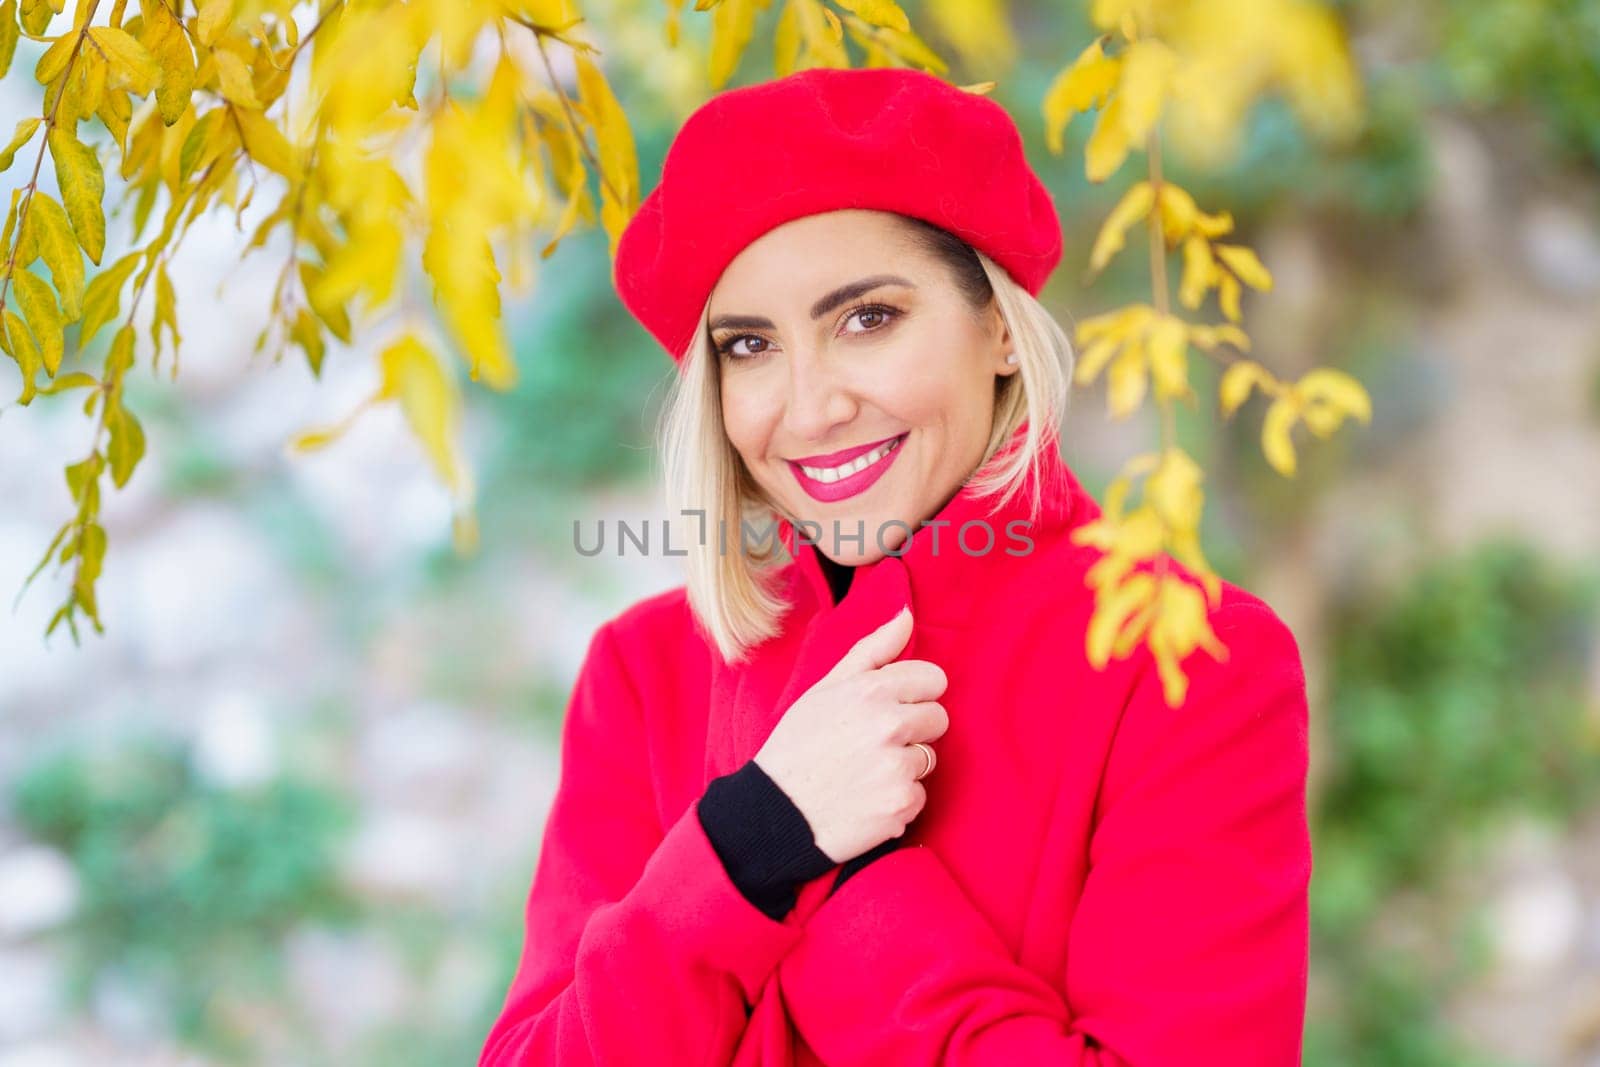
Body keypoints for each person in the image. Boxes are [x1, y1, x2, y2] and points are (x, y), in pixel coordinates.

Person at [479, 65, 1311, 1066]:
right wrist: (751, 842)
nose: (810, 404)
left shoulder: (1184, 659)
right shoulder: (644, 669)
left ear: (999, 328)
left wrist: (848, 885)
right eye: (749, 345)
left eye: (866, 318)